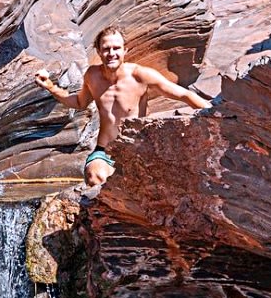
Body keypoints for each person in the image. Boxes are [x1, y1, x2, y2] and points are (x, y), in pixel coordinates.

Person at [35, 25, 211, 186]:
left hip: (136, 147)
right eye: (106, 49)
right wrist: (50, 87)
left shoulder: (140, 75)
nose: (111, 53)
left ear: (125, 50)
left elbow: (183, 94)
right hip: (105, 150)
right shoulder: (92, 76)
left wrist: (215, 114)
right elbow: (79, 103)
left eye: (116, 48)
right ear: (98, 51)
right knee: (95, 177)